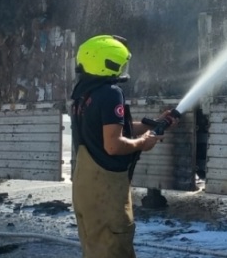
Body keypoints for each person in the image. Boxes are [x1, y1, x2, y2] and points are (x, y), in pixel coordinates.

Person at [69, 34, 177, 258]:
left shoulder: (83, 93)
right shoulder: (111, 93)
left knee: (94, 249)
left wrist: (154, 124)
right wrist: (143, 144)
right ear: (108, 62)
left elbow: (110, 129)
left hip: (85, 191)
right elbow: (113, 145)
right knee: (114, 247)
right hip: (106, 195)